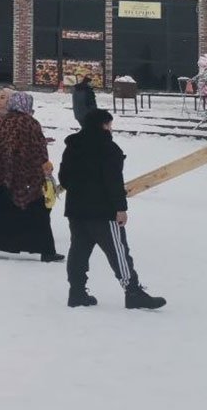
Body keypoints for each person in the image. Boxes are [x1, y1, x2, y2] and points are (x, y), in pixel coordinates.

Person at [59, 109, 166, 309]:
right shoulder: (108, 148)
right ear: (103, 125)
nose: (111, 128)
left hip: (76, 210)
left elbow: (64, 178)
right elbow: (113, 182)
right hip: (103, 211)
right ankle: (133, 292)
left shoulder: (73, 146)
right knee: (119, 252)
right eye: (109, 124)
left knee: (78, 251)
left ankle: (77, 292)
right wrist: (120, 208)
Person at [0, 92, 64, 262]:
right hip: (24, 177)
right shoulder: (30, 123)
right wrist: (43, 166)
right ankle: (46, 251)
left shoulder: (1, 122)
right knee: (37, 213)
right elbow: (38, 149)